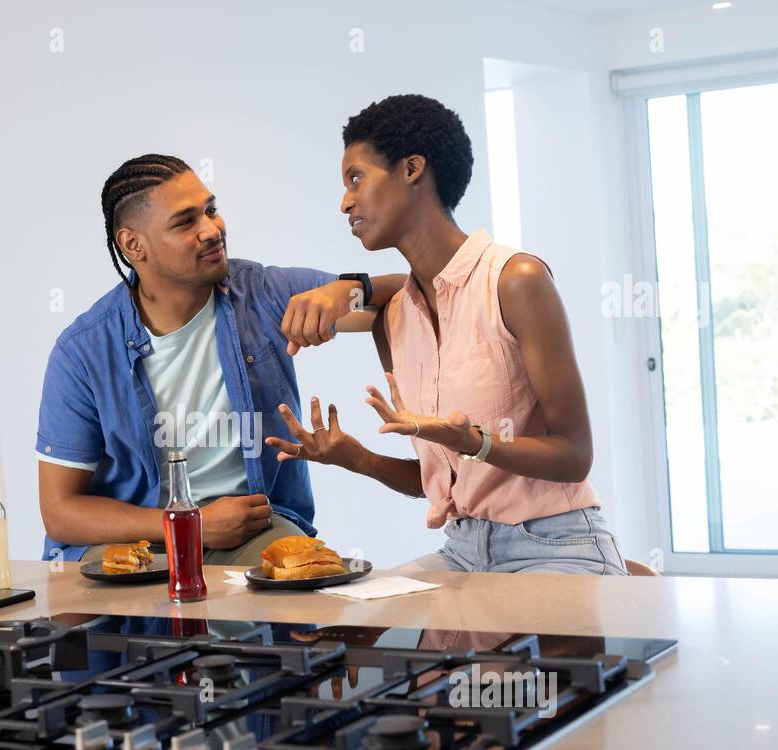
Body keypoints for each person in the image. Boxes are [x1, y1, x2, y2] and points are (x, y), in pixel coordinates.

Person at [266, 97, 627, 575]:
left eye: (356, 178)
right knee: (354, 615)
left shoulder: (516, 281)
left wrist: (476, 442)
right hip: (463, 550)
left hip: (553, 543)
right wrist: (358, 458)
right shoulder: (393, 319)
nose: (345, 202)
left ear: (411, 169)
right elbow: (442, 480)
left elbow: (574, 456)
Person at [35, 153, 402, 564]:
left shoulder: (262, 293)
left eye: (211, 210)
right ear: (133, 244)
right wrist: (186, 523)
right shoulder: (82, 352)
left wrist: (351, 288)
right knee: (106, 596)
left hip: (250, 531)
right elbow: (60, 513)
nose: (212, 230)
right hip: (136, 538)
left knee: (309, 576)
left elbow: (421, 291)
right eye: (184, 222)